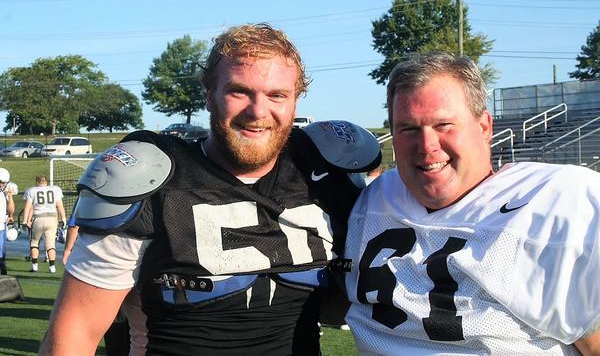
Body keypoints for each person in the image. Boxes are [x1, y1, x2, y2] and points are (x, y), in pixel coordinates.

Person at [40, 23, 381, 355]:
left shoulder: (324, 180)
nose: (258, 111)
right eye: (239, 91)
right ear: (209, 96)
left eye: (277, 95)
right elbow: (75, 331)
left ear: (295, 101)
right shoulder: (149, 181)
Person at [344, 51, 600, 355]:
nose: (427, 146)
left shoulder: (560, 201)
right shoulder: (374, 198)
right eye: (409, 129)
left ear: (484, 127)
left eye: (444, 125)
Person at [23, 174, 67, 273]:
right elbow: (60, 205)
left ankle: (35, 266)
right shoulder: (55, 189)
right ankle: (52, 266)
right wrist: (64, 218)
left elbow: (28, 207)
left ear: (37, 182)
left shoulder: (32, 190)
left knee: (34, 242)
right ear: (47, 182)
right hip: (52, 218)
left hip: (38, 218)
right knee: (51, 244)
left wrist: (25, 220)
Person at [0, 168, 16, 275]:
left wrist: (10, 197)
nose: (2, 185)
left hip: (1, 225)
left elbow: (11, 211)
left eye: (3, 183)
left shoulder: (4, 193)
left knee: (1, 252)